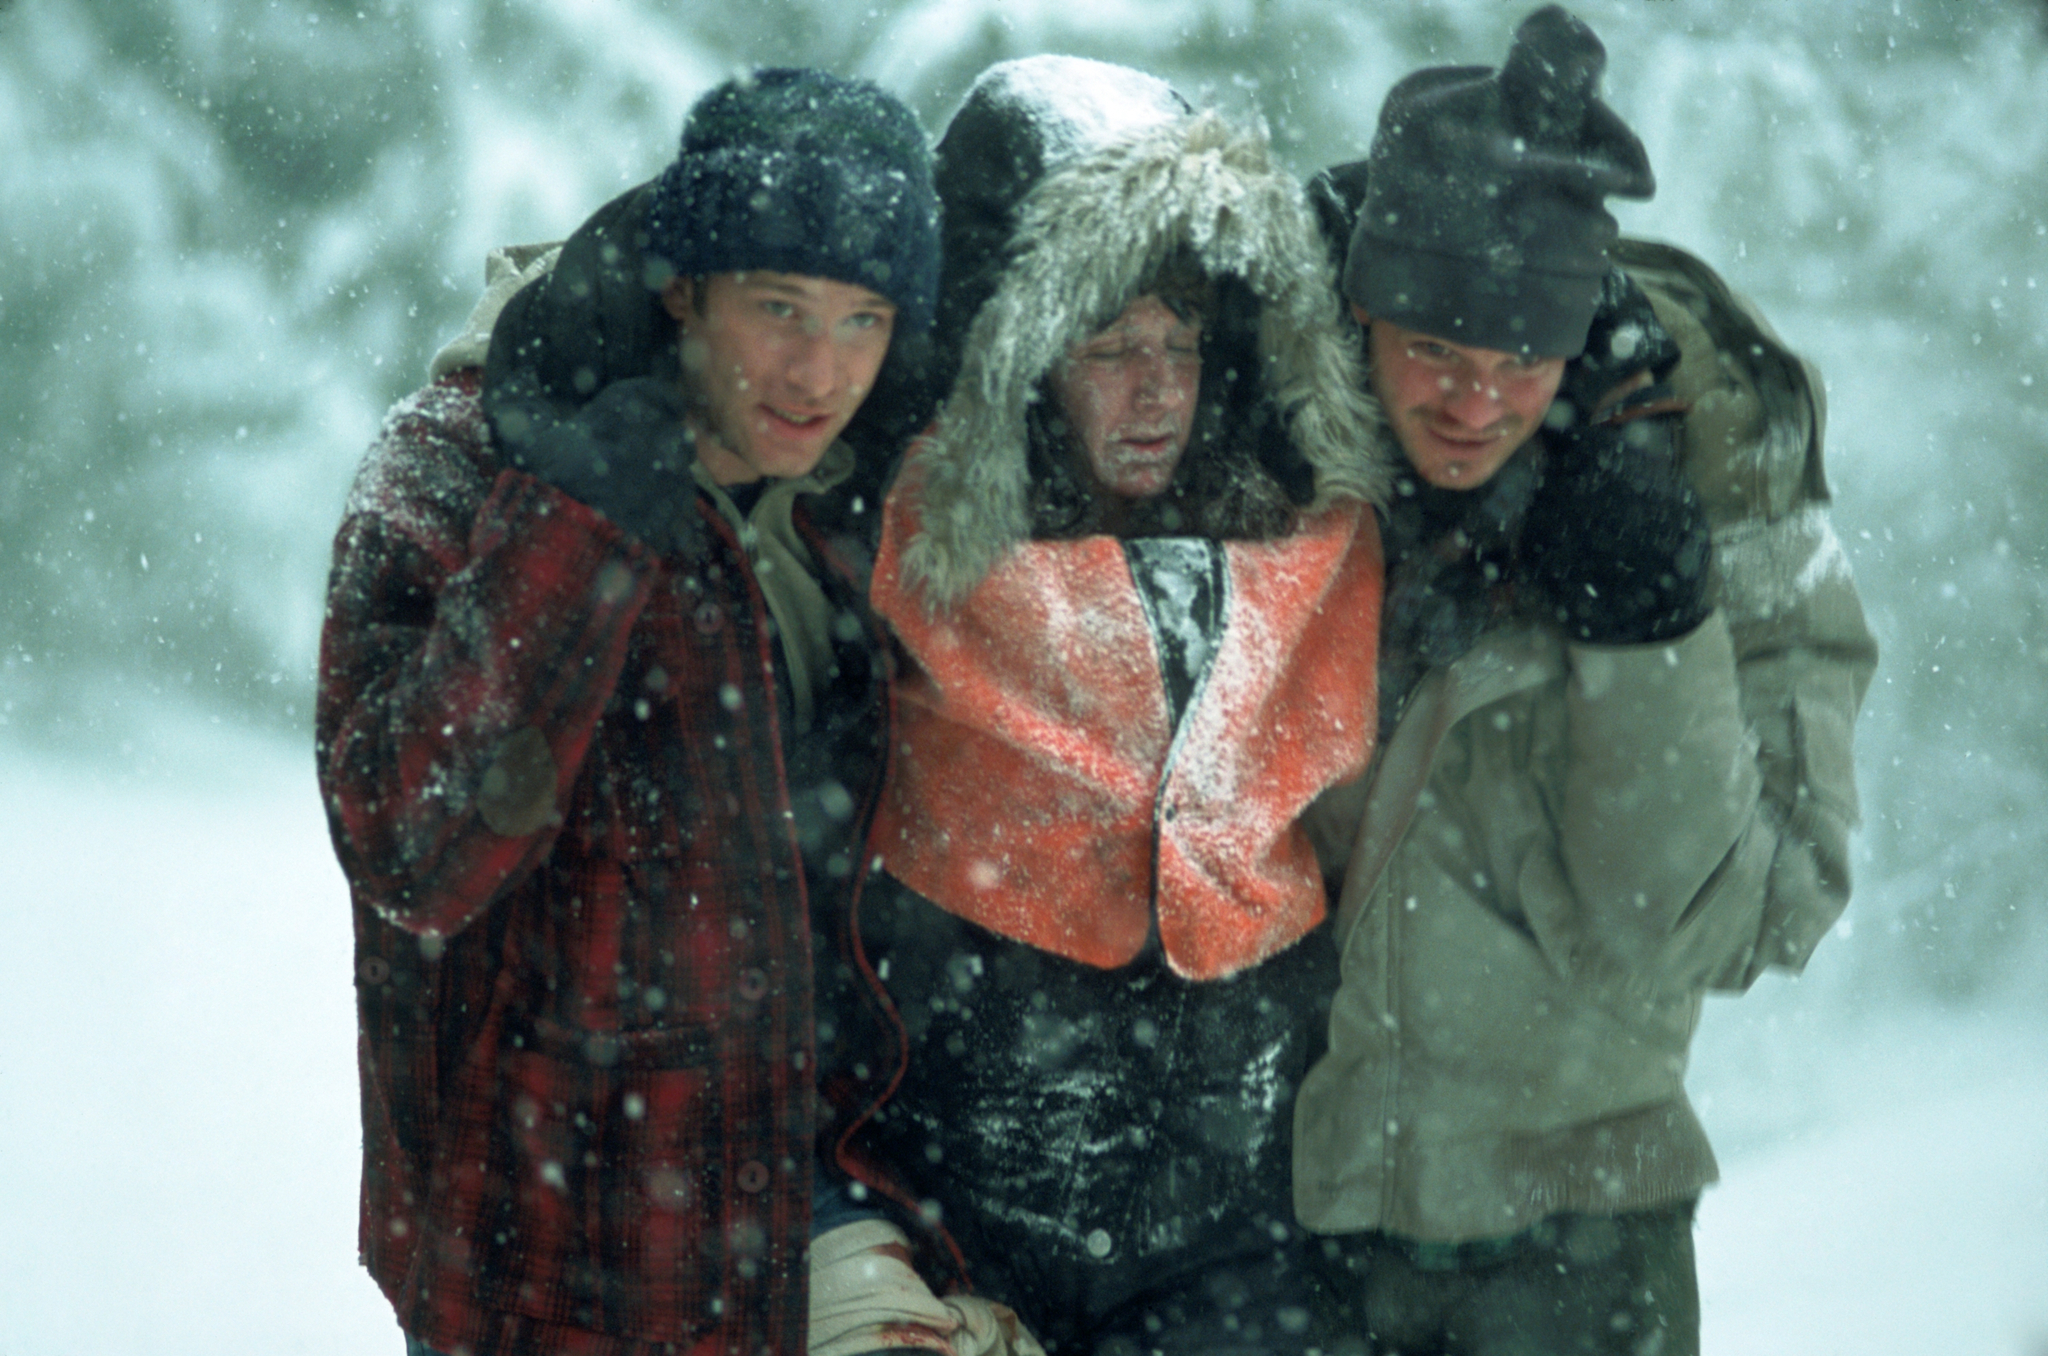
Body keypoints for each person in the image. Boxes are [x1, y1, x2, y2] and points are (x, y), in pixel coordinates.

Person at [313, 68, 1022, 1356]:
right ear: (682, 287)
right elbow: (410, 849)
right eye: (780, 307)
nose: (820, 369)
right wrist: (578, 528)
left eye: (864, 318)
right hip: (539, 1275)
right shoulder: (459, 464)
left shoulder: (853, 506)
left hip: (801, 1227)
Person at [1291, 9, 1878, 1354]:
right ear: (1362, 310)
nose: (1472, 401)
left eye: (1520, 362)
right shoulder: (1268, 457)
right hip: (1282, 1223)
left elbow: (1739, 916)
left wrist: (1653, 635)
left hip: (1586, 1241)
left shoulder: (1714, 487)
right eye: (1434, 350)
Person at [848, 57, 1393, 1356]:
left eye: (1181, 350)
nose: (1156, 391)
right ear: (1028, 358)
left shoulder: (1319, 544)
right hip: (972, 1232)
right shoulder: (903, 540)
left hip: (1236, 1238)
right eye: (1109, 351)